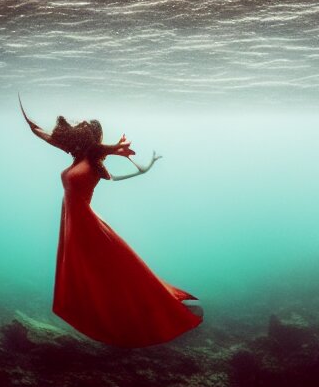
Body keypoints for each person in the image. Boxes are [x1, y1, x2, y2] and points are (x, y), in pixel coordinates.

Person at [20, 97, 202, 347]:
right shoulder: (77, 154)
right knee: (91, 277)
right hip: (74, 223)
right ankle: (110, 315)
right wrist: (30, 123)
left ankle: (161, 310)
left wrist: (131, 157)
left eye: (86, 126)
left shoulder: (94, 156)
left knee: (119, 273)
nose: (80, 124)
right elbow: (44, 135)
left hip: (86, 225)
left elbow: (104, 150)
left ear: (92, 136)